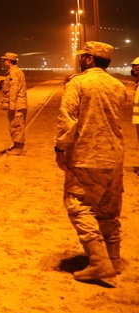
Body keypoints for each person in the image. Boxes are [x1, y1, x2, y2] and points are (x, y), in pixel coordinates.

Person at [54, 41, 129, 282]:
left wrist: (60, 148)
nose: (79, 59)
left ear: (89, 59)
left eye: (82, 56)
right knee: (108, 209)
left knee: (77, 204)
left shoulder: (79, 83)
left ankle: (98, 261)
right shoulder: (118, 86)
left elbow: (68, 119)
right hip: (114, 157)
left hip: (87, 156)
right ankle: (114, 259)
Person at [0, 52, 27, 155]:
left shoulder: (14, 73)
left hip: (17, 106)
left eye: (5, 60)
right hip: (17, 105)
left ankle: (19, 148)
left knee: (17, 126)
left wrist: (12, 107)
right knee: (14, 126)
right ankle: (16, 145)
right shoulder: (14, 72)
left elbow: (13, 91)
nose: (3, 62)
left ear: (9, 62)